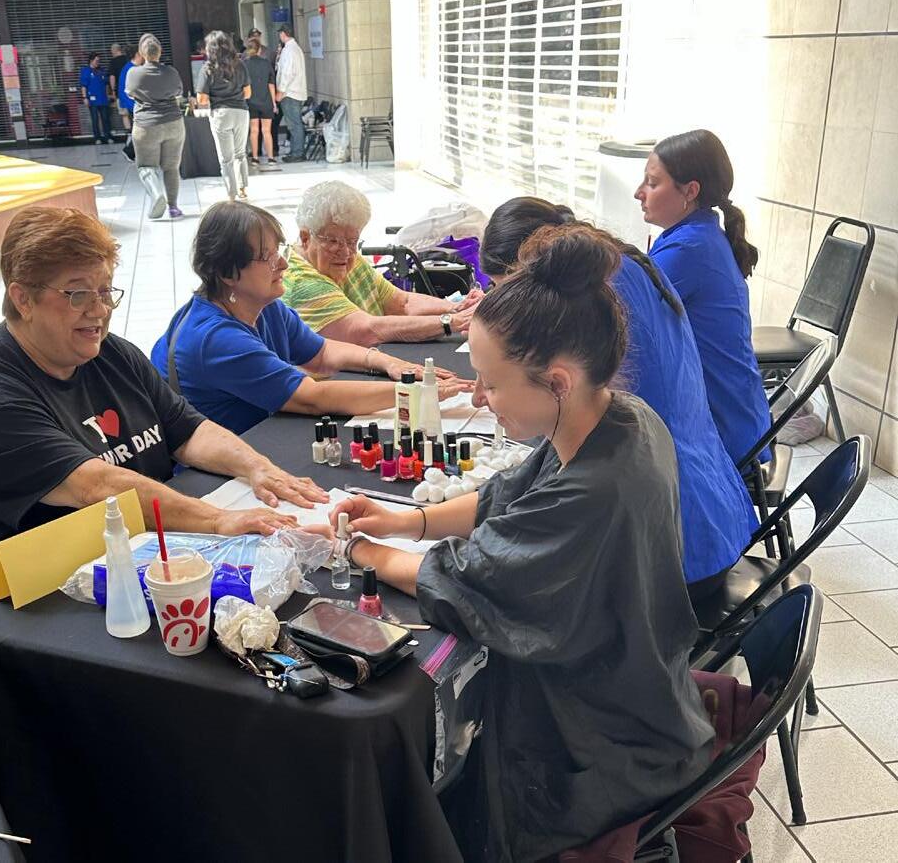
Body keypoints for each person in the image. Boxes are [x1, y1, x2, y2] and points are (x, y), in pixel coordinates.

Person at [328, 227, 713, 861]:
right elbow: (501, 498)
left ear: (557, 381)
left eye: (491, 383)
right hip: (642, 687)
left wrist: (355, 551)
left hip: (598, 742)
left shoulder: (597, 488)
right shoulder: (618, 418)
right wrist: (404, 522)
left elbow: (468, 578)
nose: (480, 398)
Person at [0, 207, 326, 626]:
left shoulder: (110, 354)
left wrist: (259, 469)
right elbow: (96, 487)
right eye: (78, 295)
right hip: (16, 605)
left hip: (119, 564)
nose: (99, 311)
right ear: (23, 298)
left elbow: (189, 430)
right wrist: (219, 521)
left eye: (106, 291)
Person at [481, 198, 757, 601]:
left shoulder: (601, 298)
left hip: (680, 547)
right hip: (708, 509)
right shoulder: (615, 270)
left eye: (506, 292)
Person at [151, 202, 472, 434]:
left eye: (279, 251)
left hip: (264, 437)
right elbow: (313, 398)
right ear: (227, 272)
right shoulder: (215, 339)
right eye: (267, 258)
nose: (283, 264)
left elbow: (321, 352)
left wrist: (388, 363)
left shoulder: (263, 305)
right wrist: (415, 392)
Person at [636, 128, 770, 466]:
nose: (639, 193)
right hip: (736, 417)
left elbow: (617, 312)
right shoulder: (696, 234)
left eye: (652, 183)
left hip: (721, 433)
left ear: (690, 191)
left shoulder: (690, 248)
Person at [282, 181, 483, 345]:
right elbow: (368, 330)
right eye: (333, 241)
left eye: (352, 241)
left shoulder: (347, 260)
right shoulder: (301, 283)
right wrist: (452, 321)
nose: (345, 252)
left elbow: (402, 303)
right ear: (306, 238)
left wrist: (457, 308)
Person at [125, 33, 186, 220]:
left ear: (142, 53)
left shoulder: (134, 73)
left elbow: (130, 93)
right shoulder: (171, 72)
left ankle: (157, 194)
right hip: (174, 124)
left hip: (146, 126)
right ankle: (173, 207)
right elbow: (178, 92)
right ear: (160, 52)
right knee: (171, 167)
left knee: (146, 166)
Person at [196, 30, 252, 201]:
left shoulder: (207, 69)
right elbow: (248, 93)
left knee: (226, 159)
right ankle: (243, 189)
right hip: (241, 112)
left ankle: (231, 194)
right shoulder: (240, 64)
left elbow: (202, 99)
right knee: (240, 153)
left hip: (221, 114)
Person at [243, 38, 278, 168]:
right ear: (259, 50)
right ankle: (271, 158)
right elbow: (271, 84)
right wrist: (274, 103)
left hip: (251, 101)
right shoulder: (266, 63)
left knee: (254, 130)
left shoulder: (244, 65)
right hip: (266, 101)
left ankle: (255, 158)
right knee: (266, 131)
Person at [275, 25, 307, 162]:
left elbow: (287, 73)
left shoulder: (289, 50)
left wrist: (281, 91)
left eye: (280, 34)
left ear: (283, 34)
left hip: (290, 93)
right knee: (295, 124)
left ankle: (297, 153)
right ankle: (296, 151)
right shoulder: (295, 48)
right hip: (294, 92)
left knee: (294, 125)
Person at [79, 52, 113, 144]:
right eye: (96, 61)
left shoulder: (101, 70)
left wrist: (108, 95)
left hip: (103, 98)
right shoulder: (86, 71)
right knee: (95, 119)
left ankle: (108, 136)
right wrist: (85, 97)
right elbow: (83, 86)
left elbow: (106, 84)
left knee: (105, 118)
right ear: (91, 60)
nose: (98, 62)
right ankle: (97, 138)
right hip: (92, 99)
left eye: (99, 61)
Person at [116, 44, 142, 133]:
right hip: (134, 105)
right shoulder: (131, 69)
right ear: (137, 54)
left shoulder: (130, 68)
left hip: (134, 105)